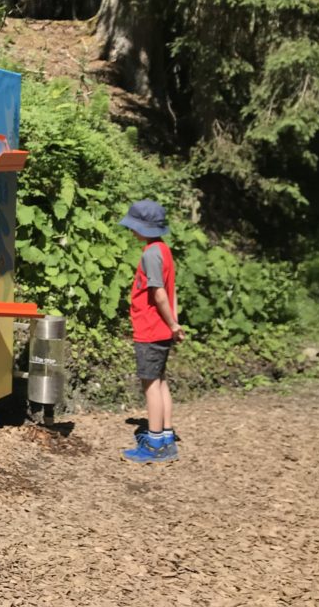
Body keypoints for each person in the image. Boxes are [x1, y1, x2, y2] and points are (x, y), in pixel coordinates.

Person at [118, 199, 185, 464]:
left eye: (134, 226)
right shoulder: (163, 250)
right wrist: (174, 323)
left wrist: (171, 324)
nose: (131, 230)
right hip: (162, 329)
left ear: (142, 227)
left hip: (150, 329)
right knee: (161, 381)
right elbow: (172, 291)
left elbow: (159, 294)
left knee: (151, 386)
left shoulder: (150, 254)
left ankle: (154, 444)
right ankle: (166, 437)